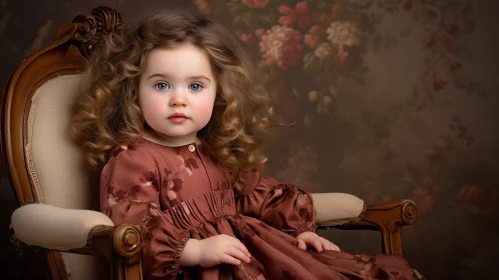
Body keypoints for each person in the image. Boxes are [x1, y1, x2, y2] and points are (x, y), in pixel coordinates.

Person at [70, 9, 425, 280]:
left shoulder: (215, 147)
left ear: (219, 91)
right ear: (134, 90)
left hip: (258, 254)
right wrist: (194, 250)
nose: (179, 99)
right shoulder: (133, 159)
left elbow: (260, 197)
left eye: (195, 86)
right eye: (162, 85)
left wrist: (302, 230)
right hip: (200, 270)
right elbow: (130, 229)